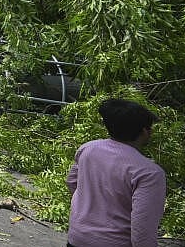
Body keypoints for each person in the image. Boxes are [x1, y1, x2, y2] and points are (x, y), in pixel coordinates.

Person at [67, 98, 166, 247]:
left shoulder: (88, 149)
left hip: (77, 238)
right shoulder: (149, 173)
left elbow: (72, 182)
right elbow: (142, 230)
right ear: (145, 131)